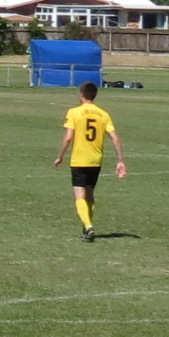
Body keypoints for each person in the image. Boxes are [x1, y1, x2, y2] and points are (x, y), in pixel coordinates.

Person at [51, 80, 126, 242]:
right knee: (90, 194)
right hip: (96, 160)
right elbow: (115, 138)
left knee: (79, 196)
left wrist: (60, 155)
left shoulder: (74, 112)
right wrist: (120, 160)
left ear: (81, 95)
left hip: (79, 159)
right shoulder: (103, 114)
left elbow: (68, 137)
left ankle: (88, 225)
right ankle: (86, 229)